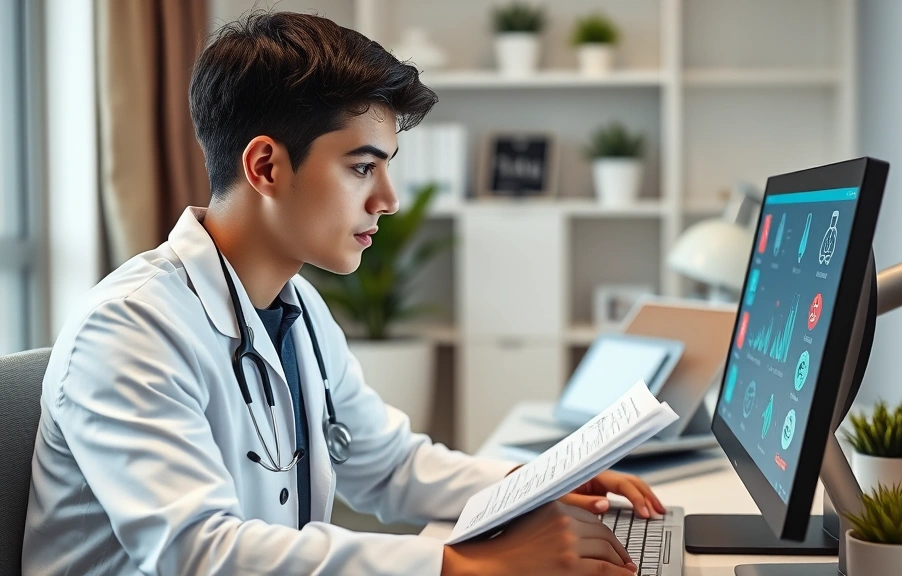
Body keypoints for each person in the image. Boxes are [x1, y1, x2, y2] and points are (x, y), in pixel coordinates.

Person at [23, 11, 666, 576]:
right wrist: (458, 565)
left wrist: (542, 481)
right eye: (363, 167)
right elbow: (198, 554)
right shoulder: (131, 327)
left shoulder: (297, 308)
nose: (387, 200)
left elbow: (388, 465)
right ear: (266, 166)